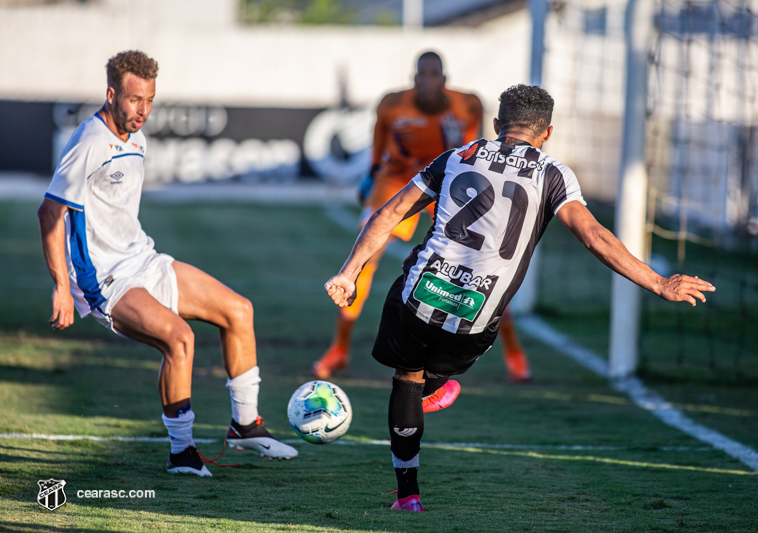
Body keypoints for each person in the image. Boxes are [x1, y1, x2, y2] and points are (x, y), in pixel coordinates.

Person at [324, 84, 715, 511]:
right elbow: (593, 236)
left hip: (418, 296)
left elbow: (391, 212)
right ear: (547, 133)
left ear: (496, 125)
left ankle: (407, 495)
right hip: (477, 318)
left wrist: (349, 272)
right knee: (425, 379)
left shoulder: (458, 157)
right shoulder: (553, 174)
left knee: (406, 376)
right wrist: (659, 283)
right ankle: (430, 391)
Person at [37, 50, 297, 477]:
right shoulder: (89, 140)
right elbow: (50, 212)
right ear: (111, 93)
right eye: (135, 99)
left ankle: (245, 426)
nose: (143, 110)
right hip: (105, 279)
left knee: (239, 310)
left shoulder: (137, 136)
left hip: (143, 259)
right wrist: (62, 286)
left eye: (150, 100)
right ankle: (182, 454)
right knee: (180, 339)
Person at [313, 50, 532, 389]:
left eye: (435, 74)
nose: (429, 81)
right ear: (413, 78)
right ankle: (339, 348)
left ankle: (513, 352)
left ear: (445, 78)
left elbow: (481, 147)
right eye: (423, 74)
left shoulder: (468, 104)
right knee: (365, 256)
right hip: (400, 179)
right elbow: (379, 142)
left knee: (482, 265)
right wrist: (372, 174)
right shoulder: (391, 104)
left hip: (450, 179)